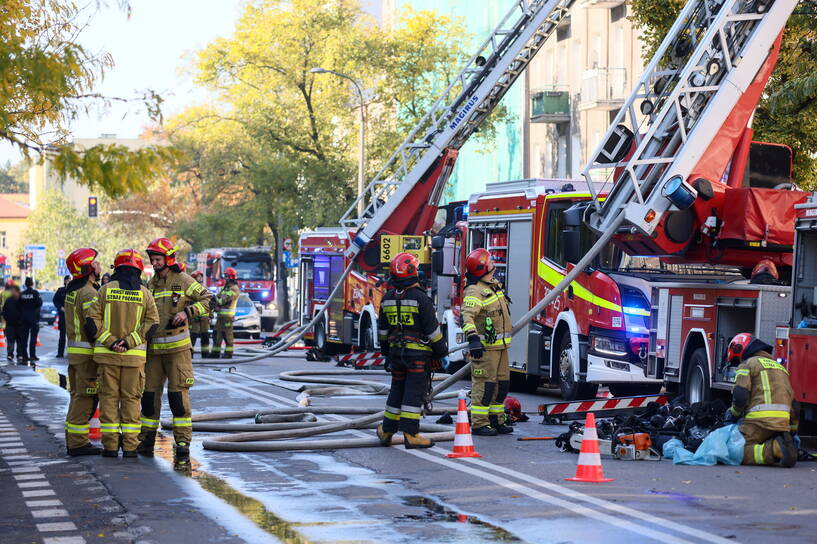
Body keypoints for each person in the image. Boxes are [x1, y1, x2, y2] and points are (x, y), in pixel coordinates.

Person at [139, 238, 212, 465]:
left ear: (169, 258)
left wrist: (188, 312)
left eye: (158, 258)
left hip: (177, 350)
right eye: (152, 259)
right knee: (149, 397)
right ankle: (147, 440)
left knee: (177, 398)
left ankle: (182, 443)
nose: (154, 262)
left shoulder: (183, 280)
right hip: (153, 353)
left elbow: (208, 299)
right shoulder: (150, 285)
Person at [87, 249, 159, 458]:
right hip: (134, 359)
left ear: (117, 269)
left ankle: (110, 447)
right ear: (138, 271)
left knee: (108, 400)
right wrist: (128, 343)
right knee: (131, 401)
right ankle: (129, 448)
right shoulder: (145, 294)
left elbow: (92, 321)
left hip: (107, 357)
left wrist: (112, 342)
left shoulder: (105, 290)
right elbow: (153, 323)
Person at [375, 253, 448, 449]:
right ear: (413, 272)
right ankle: (411, 434)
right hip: (417, 358)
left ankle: (386, 430)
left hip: (396, 356)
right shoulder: (420, 298)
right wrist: (441, 353)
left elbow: (382, 331)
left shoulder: (387, 298)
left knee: (396, 392)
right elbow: (432, 331)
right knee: (413, 394)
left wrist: (386, 354)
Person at [725, 332, 798, 467]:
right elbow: (794, 403)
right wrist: (793, 430)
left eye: (738, 359)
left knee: (733, 450)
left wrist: (733, 414)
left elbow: (740, 395)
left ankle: (775, 448)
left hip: (758, 422)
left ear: (740, 349)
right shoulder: (780, 368)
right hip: (782, 425)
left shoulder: (747, 364)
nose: (739, 362)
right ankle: (781, 443)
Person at [461, 248, 513, 436]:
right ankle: (479, 423)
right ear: (483, 267)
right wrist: (473, 339)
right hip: (485, 350)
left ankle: (495, 419)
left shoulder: (493, 286)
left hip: (501, 348)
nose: (494, 264)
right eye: (490, 262)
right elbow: (467, 317)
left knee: (501, 385)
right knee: (485, 386)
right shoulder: (475, 290)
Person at [63, 248, 102, 456]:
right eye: (95, 262)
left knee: (77, 396)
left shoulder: (73, 289)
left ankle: (73, 439)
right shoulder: (88, 292)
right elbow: (92, 325)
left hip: (76, 354)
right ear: (87, 268)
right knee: (86, 397)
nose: (99, 265)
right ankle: (78, 443)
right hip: (87, 355)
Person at [212, 267, 240, 359]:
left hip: (228, 317)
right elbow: (217, 297)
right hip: (220, 316)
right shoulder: (226, 288)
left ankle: (228, 353)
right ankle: (215, 353)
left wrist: (215, 302)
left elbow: (221, 301)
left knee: (227, 335)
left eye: (226, 276)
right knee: (216, 334)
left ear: (231, 277)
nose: (225, 278)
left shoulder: (233, 289)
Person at [189, 270, 212, 358]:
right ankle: (190, 353)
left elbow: (210, 303)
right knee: (193, 337)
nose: (200, 278)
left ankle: (205, 354)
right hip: (195, 318)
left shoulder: (205, 290)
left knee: (205, 337)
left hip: (204, 319)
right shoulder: (191, 291)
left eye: (201, 277)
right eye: (198, 277)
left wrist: (210, 315)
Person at [19, 277, 42, 362]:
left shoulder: (22, 294)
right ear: (32, 284)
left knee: (24, 338)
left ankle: (24, 356)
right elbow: (39, 303)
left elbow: (19, 306)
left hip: (24, 318)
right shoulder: (35, 293)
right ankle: (32, 355)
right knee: (33, 337)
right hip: (33, 318)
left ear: (25, 284)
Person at [3, 285, 23, 363]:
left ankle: (20, 354)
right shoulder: (9, 300)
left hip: (20, 324)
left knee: (20, 340)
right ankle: (10, 354)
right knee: (10, 340)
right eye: (11, 291)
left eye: (13, 291)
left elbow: (24, 310)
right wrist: (7, 319)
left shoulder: (22, 300)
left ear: (17, 291)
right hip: (10, 324)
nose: (12, 292)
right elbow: (4, 311)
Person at [53, 275, 70, 357]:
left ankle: (71, 353)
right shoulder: (61, 290)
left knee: (71, 336)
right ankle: (60, 353)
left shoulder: (74, 290)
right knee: (62, 336)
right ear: (65, 281)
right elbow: (55, 300)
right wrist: (60, 307)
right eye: (68, 280)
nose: (69, 281)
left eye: (71, 280)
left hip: (71, 317)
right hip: (63, 316)